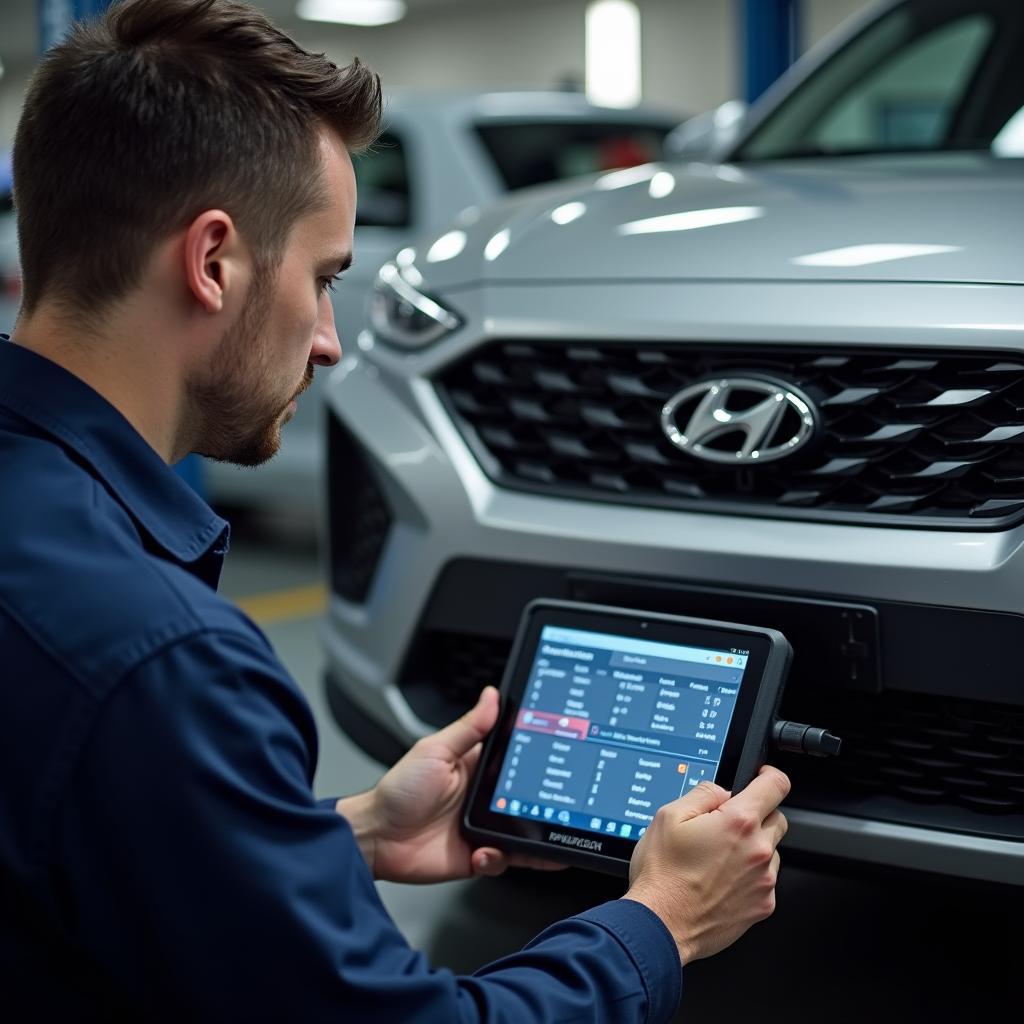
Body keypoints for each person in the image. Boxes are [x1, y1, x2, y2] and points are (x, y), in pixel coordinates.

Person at [0, 1, 790, 1019]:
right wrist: (661, 918)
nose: (329, 340)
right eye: (325, 277)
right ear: (212, 262)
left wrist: (344, 834)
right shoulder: (163, 660)